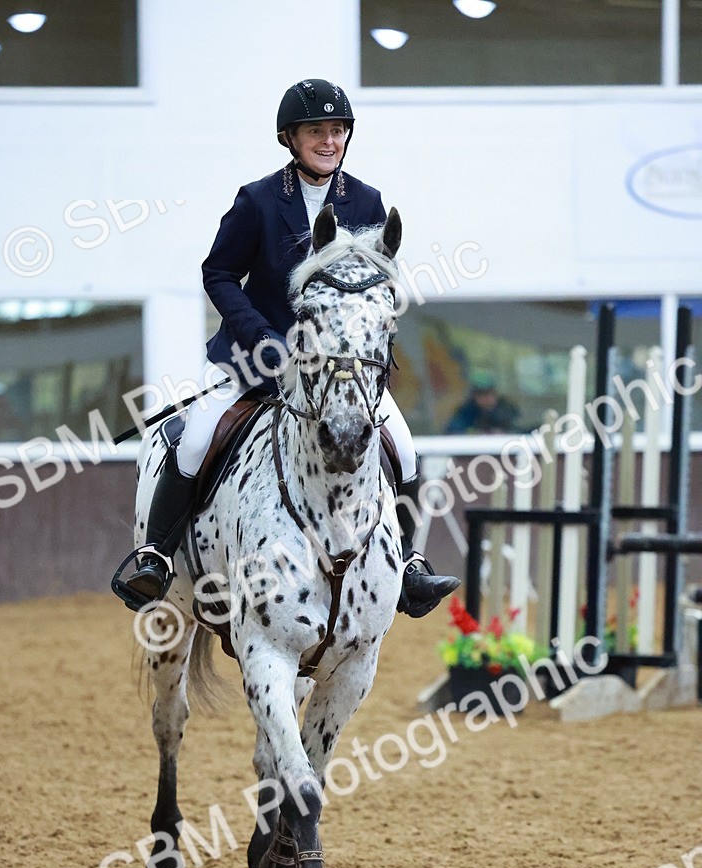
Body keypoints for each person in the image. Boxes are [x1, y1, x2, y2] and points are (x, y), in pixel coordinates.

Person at [114, 78, 459, 616]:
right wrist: (261, 337)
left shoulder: (366, 201)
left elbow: (372, 286)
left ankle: (411, 563)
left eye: (337, 130)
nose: (328, 140)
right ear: (290, 139)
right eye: (316, 131)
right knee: (196, 437)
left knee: (406, 448)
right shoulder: (258, 200)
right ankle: (155, 555)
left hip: (339, 370)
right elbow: (219, 273)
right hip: (257, 360)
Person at [445, 371, 522, 435]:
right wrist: (474, 433)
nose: (485, 398)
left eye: (489, 393)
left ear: (495, 394)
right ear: (474, 396)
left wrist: (503, 432)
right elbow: (453, 430)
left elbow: (519, 430)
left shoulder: (507, 409)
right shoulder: (466, 411)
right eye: (480, 394)